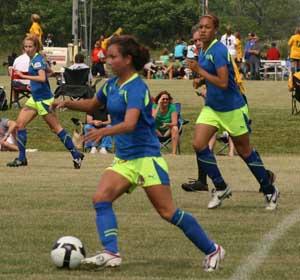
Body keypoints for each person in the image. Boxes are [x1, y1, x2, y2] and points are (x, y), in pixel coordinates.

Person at [51, 35, 225, 272]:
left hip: (146, 159)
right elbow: (93, 105)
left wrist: (104, 132)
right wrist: (65, 103)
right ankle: (111, 253)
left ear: (128, 59)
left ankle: (213, 249)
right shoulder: (111, 85)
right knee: (101, 199)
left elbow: (131, 123)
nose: (108, 60)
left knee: (168, 212)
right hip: (124, 160)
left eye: (113, 56)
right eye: (107, 56)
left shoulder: (137, 86)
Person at [183, 14, 279, 210]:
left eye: (207, 27)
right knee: (198, 144)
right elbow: (212, 78)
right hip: (212, 107)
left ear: (215, 30)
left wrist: (199, 71)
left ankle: (269, 190)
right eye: (200, 27)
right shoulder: (204, 48)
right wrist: (201, 79)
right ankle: (221, 187)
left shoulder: (218, 50)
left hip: (232, 108)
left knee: (245, 152)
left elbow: (224, 82)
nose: (202, 30)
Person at [6, 35, 84, 168]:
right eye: (25, 46)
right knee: (19, 125)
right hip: (35, 98)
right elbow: (48, 72)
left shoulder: (36, 60)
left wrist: (24, 76)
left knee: (56, 128)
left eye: (30, 46)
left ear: (36, 47)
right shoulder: (36, 59)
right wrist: (32, 78)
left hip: (43, 100)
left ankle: (76, 155)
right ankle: (21, 158)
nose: (28, 49)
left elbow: (42, 78)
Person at [152, 91, 179, 155]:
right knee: (149, 127)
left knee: (175, 128)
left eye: (167, 99)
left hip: (168, 131)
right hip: (156, 131)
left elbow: (175, 123)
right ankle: (152, 153)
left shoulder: (172, 107)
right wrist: (158, 105)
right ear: (159, 100)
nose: (165, 100)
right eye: (163, 99)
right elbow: (152, 120)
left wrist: (167, 124)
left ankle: (174, 153)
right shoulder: (154, 106)